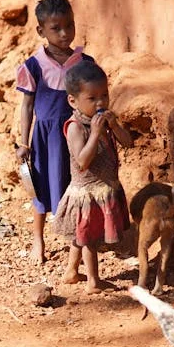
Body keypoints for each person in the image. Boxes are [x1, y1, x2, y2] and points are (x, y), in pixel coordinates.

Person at [16, 0, 96, 264]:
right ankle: (38, 238)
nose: (65, 33)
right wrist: (24, 142)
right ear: (41, 31)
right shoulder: (33, 66)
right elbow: (27, 106)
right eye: (56, 28)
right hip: (44, 138)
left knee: (76, 185)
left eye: (70, 25)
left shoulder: (85, 63)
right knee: (40, 187)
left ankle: (77, 242)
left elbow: (94, 98)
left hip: (75, 136)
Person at [54, 60, 133, 294]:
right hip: (88, 192)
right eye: (92, 98)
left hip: (105, 186)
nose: (100, 103)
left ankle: (71, 271)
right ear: (73, 101)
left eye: (104, 96)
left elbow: (127, 142)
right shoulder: (76, 127)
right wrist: (96, 133)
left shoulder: (103, 121)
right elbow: (82, 161)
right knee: (89, 239)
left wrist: (114, 125)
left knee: (81, 234)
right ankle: (93, 281)